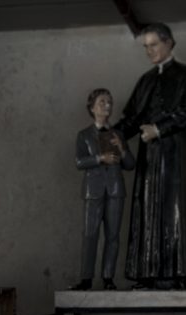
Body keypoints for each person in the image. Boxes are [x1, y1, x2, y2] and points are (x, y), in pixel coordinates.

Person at [114, 23, 186, 290]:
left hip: (176, 153)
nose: (149, 51)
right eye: (145, 46)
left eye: (153, 44)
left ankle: (180, 273)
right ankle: (146, 274)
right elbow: (131, 119)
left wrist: (160, 128)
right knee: (146, 208)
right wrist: (110, 137)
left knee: (176, 207)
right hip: (149, 156)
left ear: (169, 43)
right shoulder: (145, 80)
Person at [71, 88, 135, 291]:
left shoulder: (118, 134)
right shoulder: (84, 135)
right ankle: (86, 278)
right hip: (93, 189)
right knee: (90, 234)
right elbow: (79, 162)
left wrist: (122, 149)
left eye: (109, 102)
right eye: (102, 102)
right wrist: (100, 158)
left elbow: (130, 164)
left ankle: (108, 277)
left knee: (113, 235)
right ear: (92, 107)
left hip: (116, 189)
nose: (107, 105)